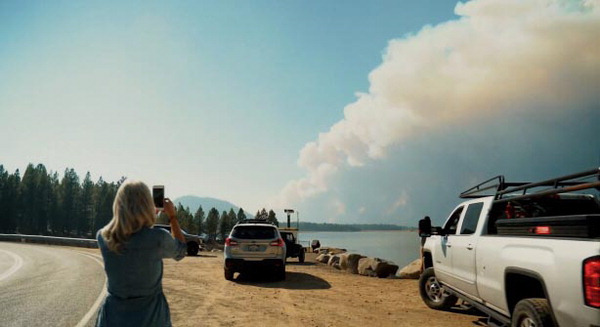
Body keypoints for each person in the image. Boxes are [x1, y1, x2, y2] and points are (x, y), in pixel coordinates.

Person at [95, 180, 186, 327]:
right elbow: (181, 251)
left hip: (112, 318)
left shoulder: (103, 237)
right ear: (147, 205)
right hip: (151, 319)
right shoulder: (158, 238)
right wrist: (172, 217)